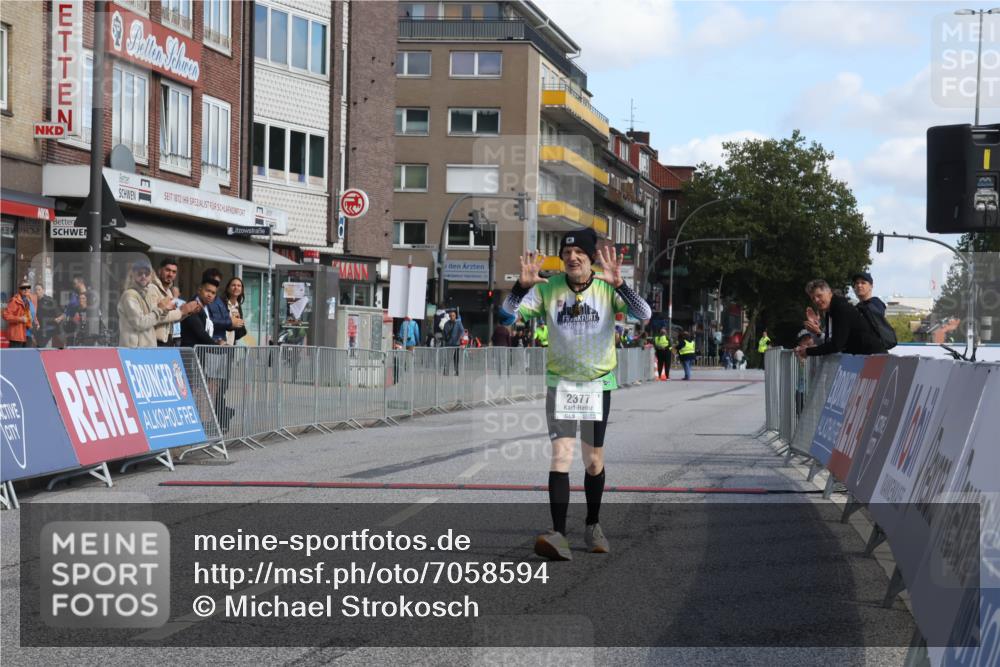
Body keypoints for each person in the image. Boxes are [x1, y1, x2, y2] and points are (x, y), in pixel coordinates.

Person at [499, 228, 652, 561]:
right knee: (560, 457)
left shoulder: (606, 287)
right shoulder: (549, 289)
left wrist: (622, 286)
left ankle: (593, 525)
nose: (571, 258)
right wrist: (518, 288)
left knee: (593, 461)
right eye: (566, 254)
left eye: (578, 253)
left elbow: (644, 315)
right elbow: (505, 318)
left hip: (597, 383)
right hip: (562, 384)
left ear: (590, 256)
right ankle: (558, 535)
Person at [795, 279, 886, 359]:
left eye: (819, 295)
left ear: (830, 292)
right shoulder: (832, 310)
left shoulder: (840, 309)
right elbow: (833, 343)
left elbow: (836, 345)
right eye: (813, 298)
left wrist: (808, 351)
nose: (817, 300)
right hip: (865, 358)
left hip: (873, 359)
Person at [118, 258, 176, 348]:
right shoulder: (129, 295)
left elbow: (153, 319)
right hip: (134, 351)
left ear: (151, 275)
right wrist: (160, 308)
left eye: (147, 273)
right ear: (133, 274)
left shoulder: (145, 293)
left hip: (147, 349)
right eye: (140, 273)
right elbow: (140, 323)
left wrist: (165, 309)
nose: (143, 276)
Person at [148, 258, 200, 347]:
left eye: (174, 272)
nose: (170, 274)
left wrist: (188, 312)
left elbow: (170, 320)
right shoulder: (151, 289)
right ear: (160, 271)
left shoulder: (169, 292)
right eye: (167, 270)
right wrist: (181, 311)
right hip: (154, 342)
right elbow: (154, 317)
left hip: (168, 340)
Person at [3, 281, 34, 348]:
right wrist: (20, 319)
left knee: (27, 357)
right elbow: (6, 315)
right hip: (17, 336)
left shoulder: (29, 299)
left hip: (28, 334)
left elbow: (32, 314)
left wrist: (36, 322)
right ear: (19, 289)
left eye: (28, 287)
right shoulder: (14, 301)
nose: (26, 289)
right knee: (14, 357)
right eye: (23, 288)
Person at [794, 330, 816, 415]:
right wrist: (798, 354)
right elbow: (802, 362)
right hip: (802, 387)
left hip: (812, 386)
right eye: (803, 340)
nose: (806, 341)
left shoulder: (816, 348)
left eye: (808, 338)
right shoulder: (800, 351)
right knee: (801, 411)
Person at [443, 310, 464, 375]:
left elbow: (462, 331)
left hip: (456, 343)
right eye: (451, 316)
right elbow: (444, 333)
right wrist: (446, 339)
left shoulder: (459, 323)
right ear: (449, 316)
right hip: (449, 344)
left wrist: (460, 337)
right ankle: (446, 371)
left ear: (455, 316)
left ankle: (456, 371)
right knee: (448, 358)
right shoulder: (446, 324)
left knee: (456, 358)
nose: (452, 317)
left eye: (453, 315)